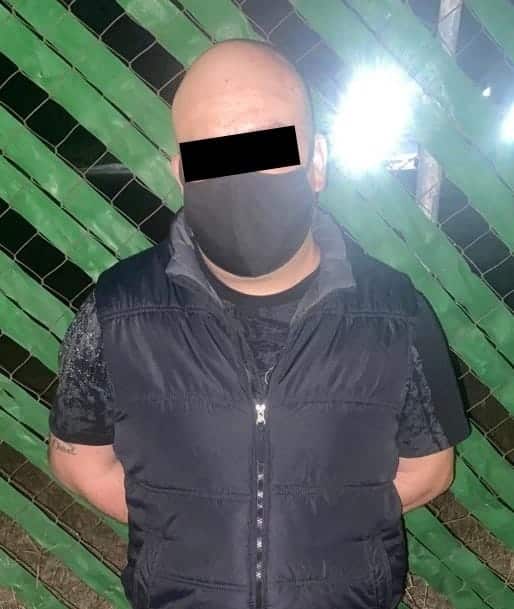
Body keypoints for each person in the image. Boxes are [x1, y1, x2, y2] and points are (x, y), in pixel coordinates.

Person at [48, 39, 471, 609]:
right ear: (181, 173)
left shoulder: (396, 313)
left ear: (316, 161)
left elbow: (429, 469)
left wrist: (313, 529)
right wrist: (187, 527)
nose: (240, 173)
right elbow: (81, 463)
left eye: (267, 144)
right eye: (212, 152)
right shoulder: (114, 313)